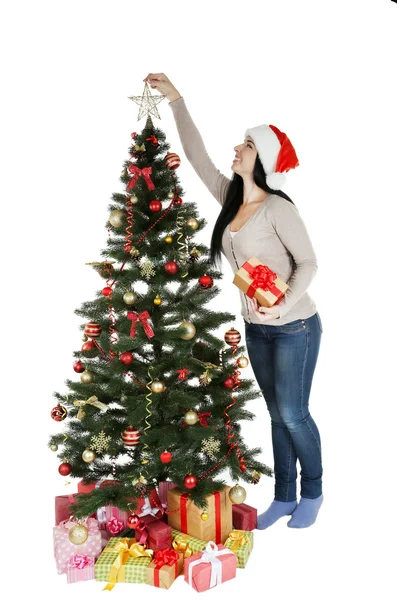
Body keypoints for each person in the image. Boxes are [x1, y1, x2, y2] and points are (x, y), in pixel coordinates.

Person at [143, 73, 324, 529]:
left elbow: (309, 264)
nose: (237, 147)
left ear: (261, 157)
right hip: (257, 327)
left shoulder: (279, 208)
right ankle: (284, 497)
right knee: (275, 414)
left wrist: (282, 307)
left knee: (293, 413)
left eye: (246, 144)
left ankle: (314, 491)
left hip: (295, 325)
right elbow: (196, 155)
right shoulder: (230, 199)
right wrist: (177, 100)